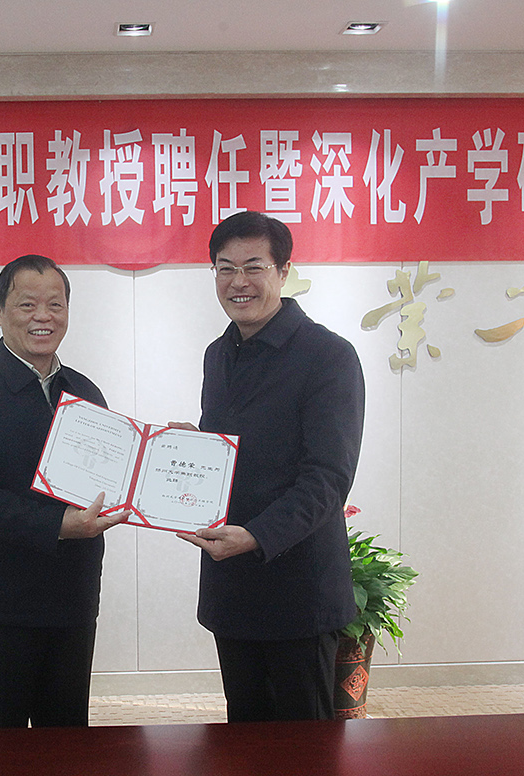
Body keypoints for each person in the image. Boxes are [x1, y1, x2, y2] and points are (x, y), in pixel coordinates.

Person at [177, 211, 366, 722]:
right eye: (225, 268)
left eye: (253, 267)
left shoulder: (328, 356)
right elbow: (237, 452)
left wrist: (256, 536)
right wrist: (193, 452)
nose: (238, 282)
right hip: (232, 587)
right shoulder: (218, 354)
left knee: (303, 747)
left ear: (283, 271)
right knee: (244, 736)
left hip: (298, 592)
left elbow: (328, 477)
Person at [0, 254, 123, 728]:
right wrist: (60, 525)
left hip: (72, 597)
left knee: (67, 739)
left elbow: (110, 480)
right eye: (27, 304)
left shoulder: (85, 392)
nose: (44, 316)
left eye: (55, 305)